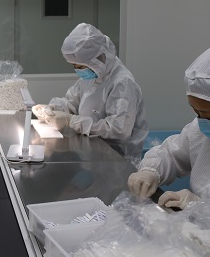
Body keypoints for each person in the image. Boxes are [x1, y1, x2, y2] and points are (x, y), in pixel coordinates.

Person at [128, 36, 210, 209]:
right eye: (196, 111)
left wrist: (202, 208)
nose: (202, 122)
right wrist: (150, 171)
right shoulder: (200, 130)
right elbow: (171, 153)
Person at [32, 23, 148, 164]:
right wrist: (51, 109)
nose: (78, 70)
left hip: (118, 160)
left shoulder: (123, 83)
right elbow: (72, 101)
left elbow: (118, 130)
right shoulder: (93, 76)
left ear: (99, 58)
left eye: (80, 66)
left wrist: (71, 121)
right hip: (93, 154)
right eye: (74, 66)